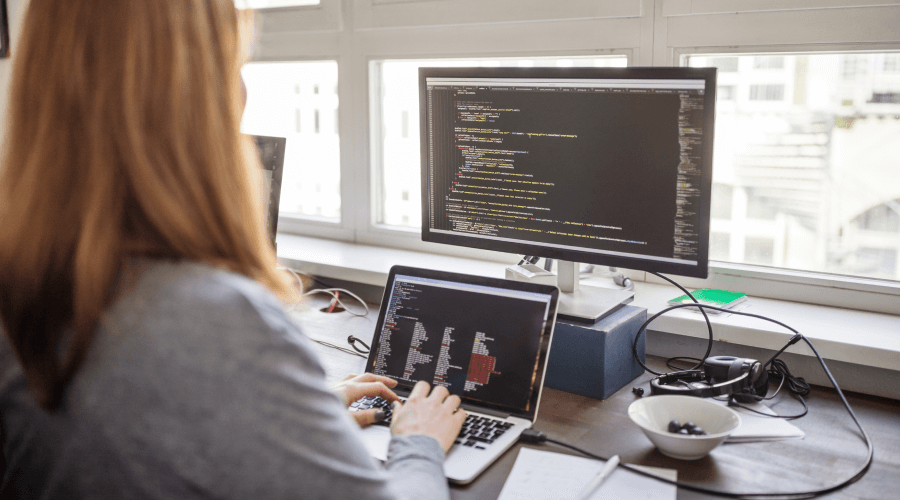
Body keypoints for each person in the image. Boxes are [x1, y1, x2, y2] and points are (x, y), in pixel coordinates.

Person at [0, 1, 465, 499]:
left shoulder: (21, 278)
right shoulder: (217, 317)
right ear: (200, 95)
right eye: (233, 65)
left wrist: (292, 419)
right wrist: (418, 443)